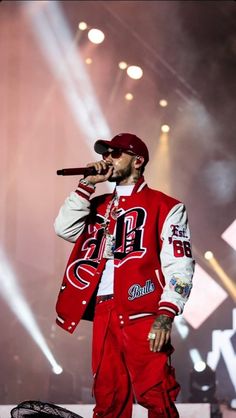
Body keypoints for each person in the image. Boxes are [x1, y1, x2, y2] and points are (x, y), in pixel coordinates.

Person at [54, 133, 195, 418]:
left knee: (156, 394)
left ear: (138, 161)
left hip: (144, 311)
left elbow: (180, 265)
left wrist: (166, 314)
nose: (107, 159)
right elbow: (64, 228)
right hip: (105, 310)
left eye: (116, 153)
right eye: (106, 153)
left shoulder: (166, 206)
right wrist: (85, 186)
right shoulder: (98, 204)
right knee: (108, 398)